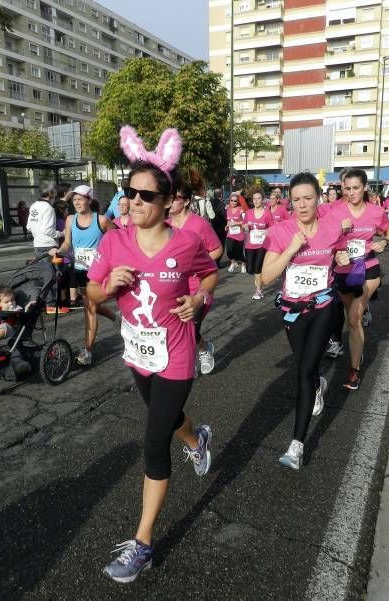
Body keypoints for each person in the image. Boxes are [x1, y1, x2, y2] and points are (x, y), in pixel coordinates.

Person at [87, 125, 218, 583]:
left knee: (152, 441)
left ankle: (142, 545)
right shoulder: (113, 241)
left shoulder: (186, 243)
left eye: (146, 196)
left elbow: (208, 275)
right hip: (137, 354)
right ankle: (197, 439)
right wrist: (107, 286)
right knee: (170, 417)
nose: (135, 202)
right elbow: (90, 290)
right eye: (130, 193)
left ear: (168, 202)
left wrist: (199, 299)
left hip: (177, 353)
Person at [262, 171, 348, 469]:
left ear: (318, 198)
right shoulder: (281, 231)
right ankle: (319, 384)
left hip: (323, 305)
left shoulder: (332, 226)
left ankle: (296, 446)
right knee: (305, 366)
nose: (302, 204)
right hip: (292, 309)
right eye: (296, 199)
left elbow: (341, 250)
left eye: (308, 198)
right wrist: (290, 249)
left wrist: (342, 258)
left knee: (303, 370)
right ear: (290, 202)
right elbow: (265, 276)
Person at [331, 169, 389, 390]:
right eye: (347, 188)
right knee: (351, 315)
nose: (351, 192)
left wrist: (385, 243)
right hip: (343, 270)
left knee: (353, 319)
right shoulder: (336, 211)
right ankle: (363, 310)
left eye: (356, 187)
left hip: (368, 267)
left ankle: (354, 370)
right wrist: (338, 232)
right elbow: (323, 236)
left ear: (365, 187)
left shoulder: (376, 212)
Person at [50, 184, 116, 366]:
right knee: (90, 306)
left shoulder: (102, 221)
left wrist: (108, 260)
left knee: (90, 309)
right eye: (74, 200)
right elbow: (67, 244)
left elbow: (118, 241)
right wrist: (59, 251)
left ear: (89, 200)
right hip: (79, 270)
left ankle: (87, 351)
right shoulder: (71, 220)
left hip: (97, 273)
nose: (77, 202)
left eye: (80, 199)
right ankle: (115, 318)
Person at [168, 181, 223, 375]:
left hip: (198, 285)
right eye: (169, 198)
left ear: (186, 201)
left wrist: (197, 264)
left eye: (175, 199)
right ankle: (204, 347)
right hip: (173, 284)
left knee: (190, 326)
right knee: (179, 326)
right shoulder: (164, 224)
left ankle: (191, 359)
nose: (171, 202)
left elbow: (217, 250)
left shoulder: (199, 224)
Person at [243, 190, 273, 300]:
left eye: (258, 198)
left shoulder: (267, 213)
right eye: (254, 199)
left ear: (263, 200)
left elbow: (272, 228)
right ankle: (258, 278)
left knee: (257, 267)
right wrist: (245, 227)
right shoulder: (249, 213)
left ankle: (259, 290)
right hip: (250, 245)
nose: (256, 200)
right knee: (250, 269)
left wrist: (268, 231)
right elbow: (244, 224)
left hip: (262, 245)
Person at [225, 192, 246, 273]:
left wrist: (236, 223)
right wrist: (227, 226)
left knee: (239, 252)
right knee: (229, 250)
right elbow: (229, 221)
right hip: (230, 234)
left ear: (238, 202)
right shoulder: (228, 210)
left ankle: (243, 264)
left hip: (239, 234)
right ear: (229, 201)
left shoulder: (241, 210)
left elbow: (245, 221)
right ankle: (233, 263)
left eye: (235, 201)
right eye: (232, 200)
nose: (233, 202)